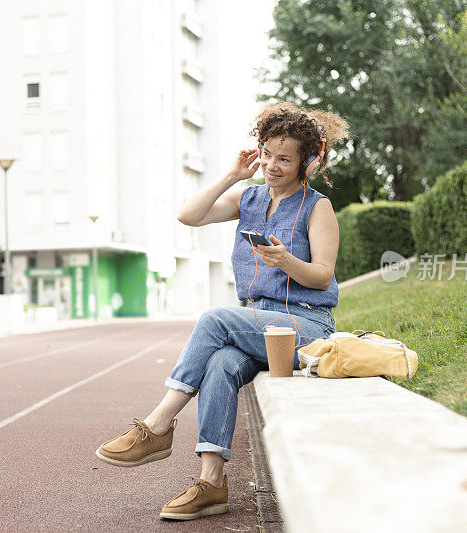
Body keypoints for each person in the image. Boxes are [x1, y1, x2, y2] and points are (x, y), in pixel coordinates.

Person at [95, 102, 349, 521]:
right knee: (220, 362)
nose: (271, 165)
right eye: (266, 153)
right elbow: (187, 215)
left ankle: (158, 425)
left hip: (305, 326)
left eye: (284, 159)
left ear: (308, 161)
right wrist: (233, 174)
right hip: (255, 324)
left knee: (215, 318)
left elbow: (322, 276)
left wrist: (285, 261)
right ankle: (212, 482)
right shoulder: (247, 197)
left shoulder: (316, 206)